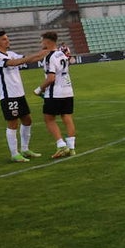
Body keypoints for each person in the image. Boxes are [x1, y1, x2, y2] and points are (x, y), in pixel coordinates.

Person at [0, 30, 48, 163]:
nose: (7, 41)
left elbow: (31, 58)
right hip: (8, 95)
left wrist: (48, 50)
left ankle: (25, 149)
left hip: (19, 94)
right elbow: (14, 63)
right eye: (4, 39)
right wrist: (37, 55)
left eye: (7, 38)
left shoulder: (11, 54)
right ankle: (14, 154)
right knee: (13, 123)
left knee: (27, 120)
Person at [35, 31, 76, 159]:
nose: (41, 43)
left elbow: (51, 78)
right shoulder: (62, 54)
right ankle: (71, 148)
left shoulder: (49, 57)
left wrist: (39, 89)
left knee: (49, 119)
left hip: (55, 92)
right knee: (67, 118)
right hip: (68, 91)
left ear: (47, 42)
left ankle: (61, 145)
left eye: (42, 41)